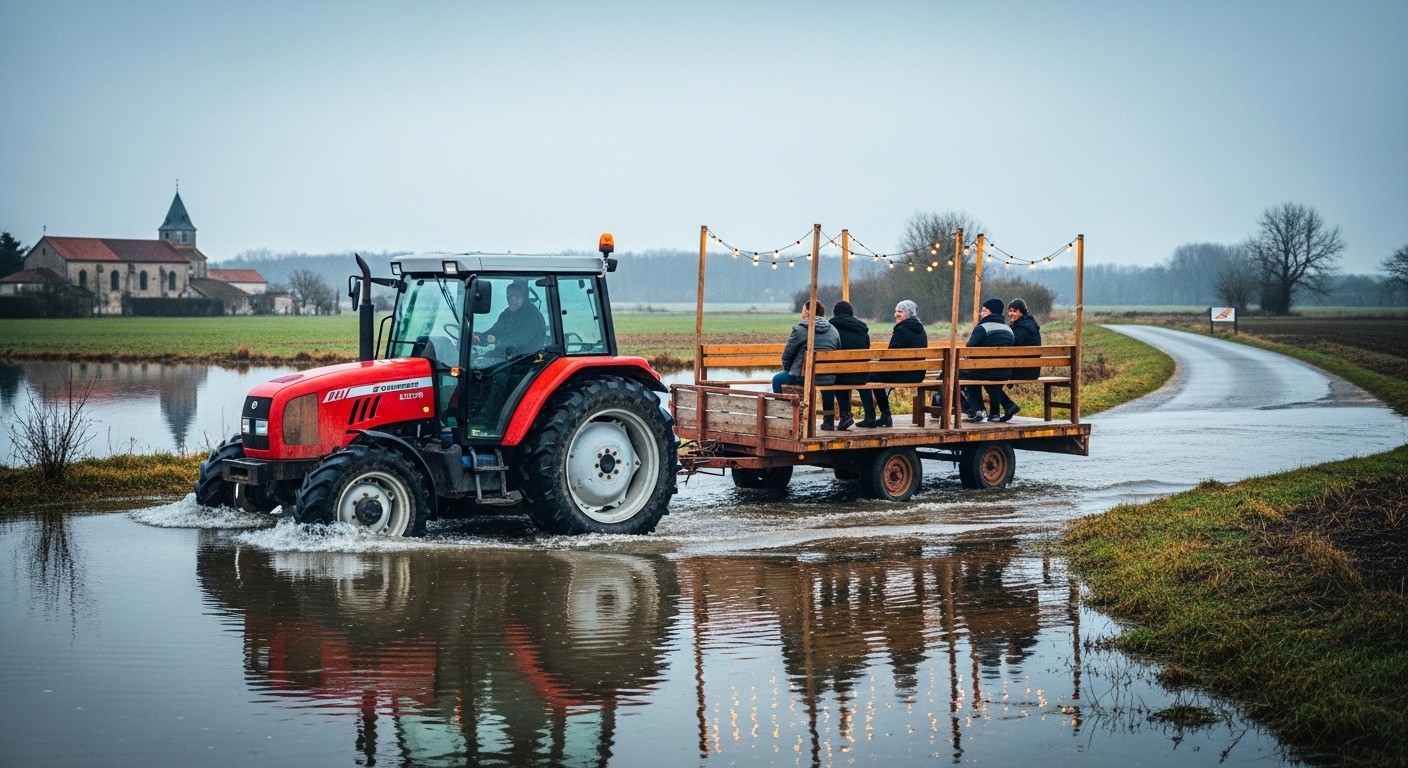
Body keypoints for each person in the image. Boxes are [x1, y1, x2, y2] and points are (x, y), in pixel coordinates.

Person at [856, 300, 928, 428]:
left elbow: (890, 355)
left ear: (908, 313)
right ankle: (884, 416)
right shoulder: (921, 330)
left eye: (900, 311)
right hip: (918, 374)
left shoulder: (902, 330)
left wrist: (876, 366)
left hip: (904, 375)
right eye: (896, 311)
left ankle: (878, 416)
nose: (896, 314)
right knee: (875, 375)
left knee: (869, 376)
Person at [962, 298, 1018, 422]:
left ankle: (979, 411)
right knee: (988, 378)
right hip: (1004, 372)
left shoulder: (982, 328)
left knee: (969, 377)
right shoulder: (1009, 329)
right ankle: (996, 413)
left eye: (983, 310)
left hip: (985, 371)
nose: (981, 313)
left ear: (989, 312)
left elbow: (969, 348)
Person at [772, 300, 840, 395]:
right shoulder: (833, 330)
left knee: (777, 379)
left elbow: (787, 356)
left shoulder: (800, 329)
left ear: (807, 312)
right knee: (824, 380)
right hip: (828, 377)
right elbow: (837, 351)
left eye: (803, 310)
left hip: (804, 377)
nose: (801, 314)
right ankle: (828, 405)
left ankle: (786, 405)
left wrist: (790, 371)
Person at [823, 300, 870, 431]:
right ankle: (869, 415)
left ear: (835, 313)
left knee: (830, 379)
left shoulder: (831, 328)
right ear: (851, 313)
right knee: (842, 374)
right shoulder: (862, 328)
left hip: (842, 375)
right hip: (862, 375)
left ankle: (832, 419)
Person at [475, 280, 545, 357]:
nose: (512, 300)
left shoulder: (532, 316)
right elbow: (494, 332)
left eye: (517, 296)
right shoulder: (506, 314)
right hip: (507, 355)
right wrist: (479, 338)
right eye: (509, 296)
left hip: (526, 358)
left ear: (524, 297)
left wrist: (498, 343)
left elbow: (518, 341)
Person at [1007, 298, 1042, 383]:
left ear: (1022, 312)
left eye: (1014, 311)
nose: (1011, 313)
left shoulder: (1023, 328)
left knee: (992, 374)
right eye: (1010, 311)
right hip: (1030, 369)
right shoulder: (1028, 324)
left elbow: (1010, 343)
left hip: (1024, 370)